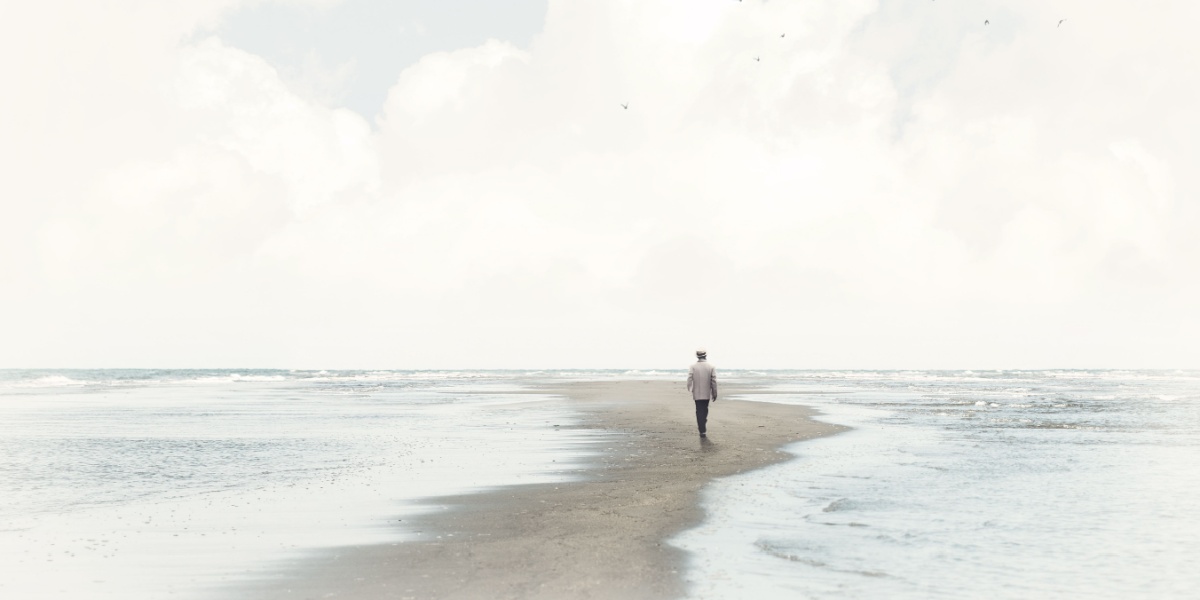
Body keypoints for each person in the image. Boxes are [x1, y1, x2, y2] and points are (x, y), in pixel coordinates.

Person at [687, 348, 717, 438]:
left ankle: (702, 429)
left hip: (696, 393)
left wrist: (690, 388)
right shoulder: (711, 366)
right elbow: (713, 381)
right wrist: (714, 393)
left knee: (698, 410)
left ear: (697, 356)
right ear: (705, 356)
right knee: (705, 409)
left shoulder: (693, 366)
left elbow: (689, 378)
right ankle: (703, 423)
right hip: (706, 392)